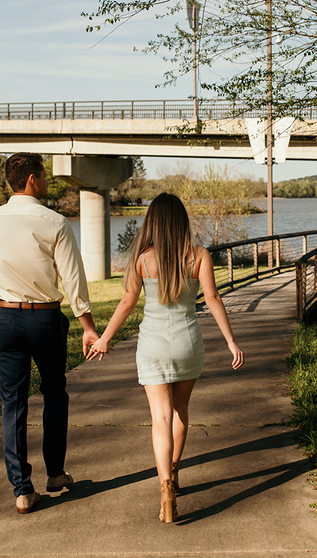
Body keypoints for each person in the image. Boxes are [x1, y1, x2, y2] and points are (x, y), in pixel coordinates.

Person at [87, 192, 243, 523]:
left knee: (160, 418)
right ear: (181, 220)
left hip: (153, 346)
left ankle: (165, 486)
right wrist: (230, 341)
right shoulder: (198, 255)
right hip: (187, 343)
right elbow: (212, 297)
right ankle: (174, 472)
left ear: (153, 222)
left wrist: (104, 338)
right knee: (180, 411)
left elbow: (128, 302)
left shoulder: (142, 259)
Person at [0, 152, 100, 514]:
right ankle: (56, 474)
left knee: (12, 403)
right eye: (45, 176)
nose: (47, 182)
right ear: (32, 179)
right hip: (45, 320)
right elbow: (73, 279)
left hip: (5, 318)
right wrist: (88, 326)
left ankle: (21, 488)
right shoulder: (55, 222)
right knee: (54, 394)